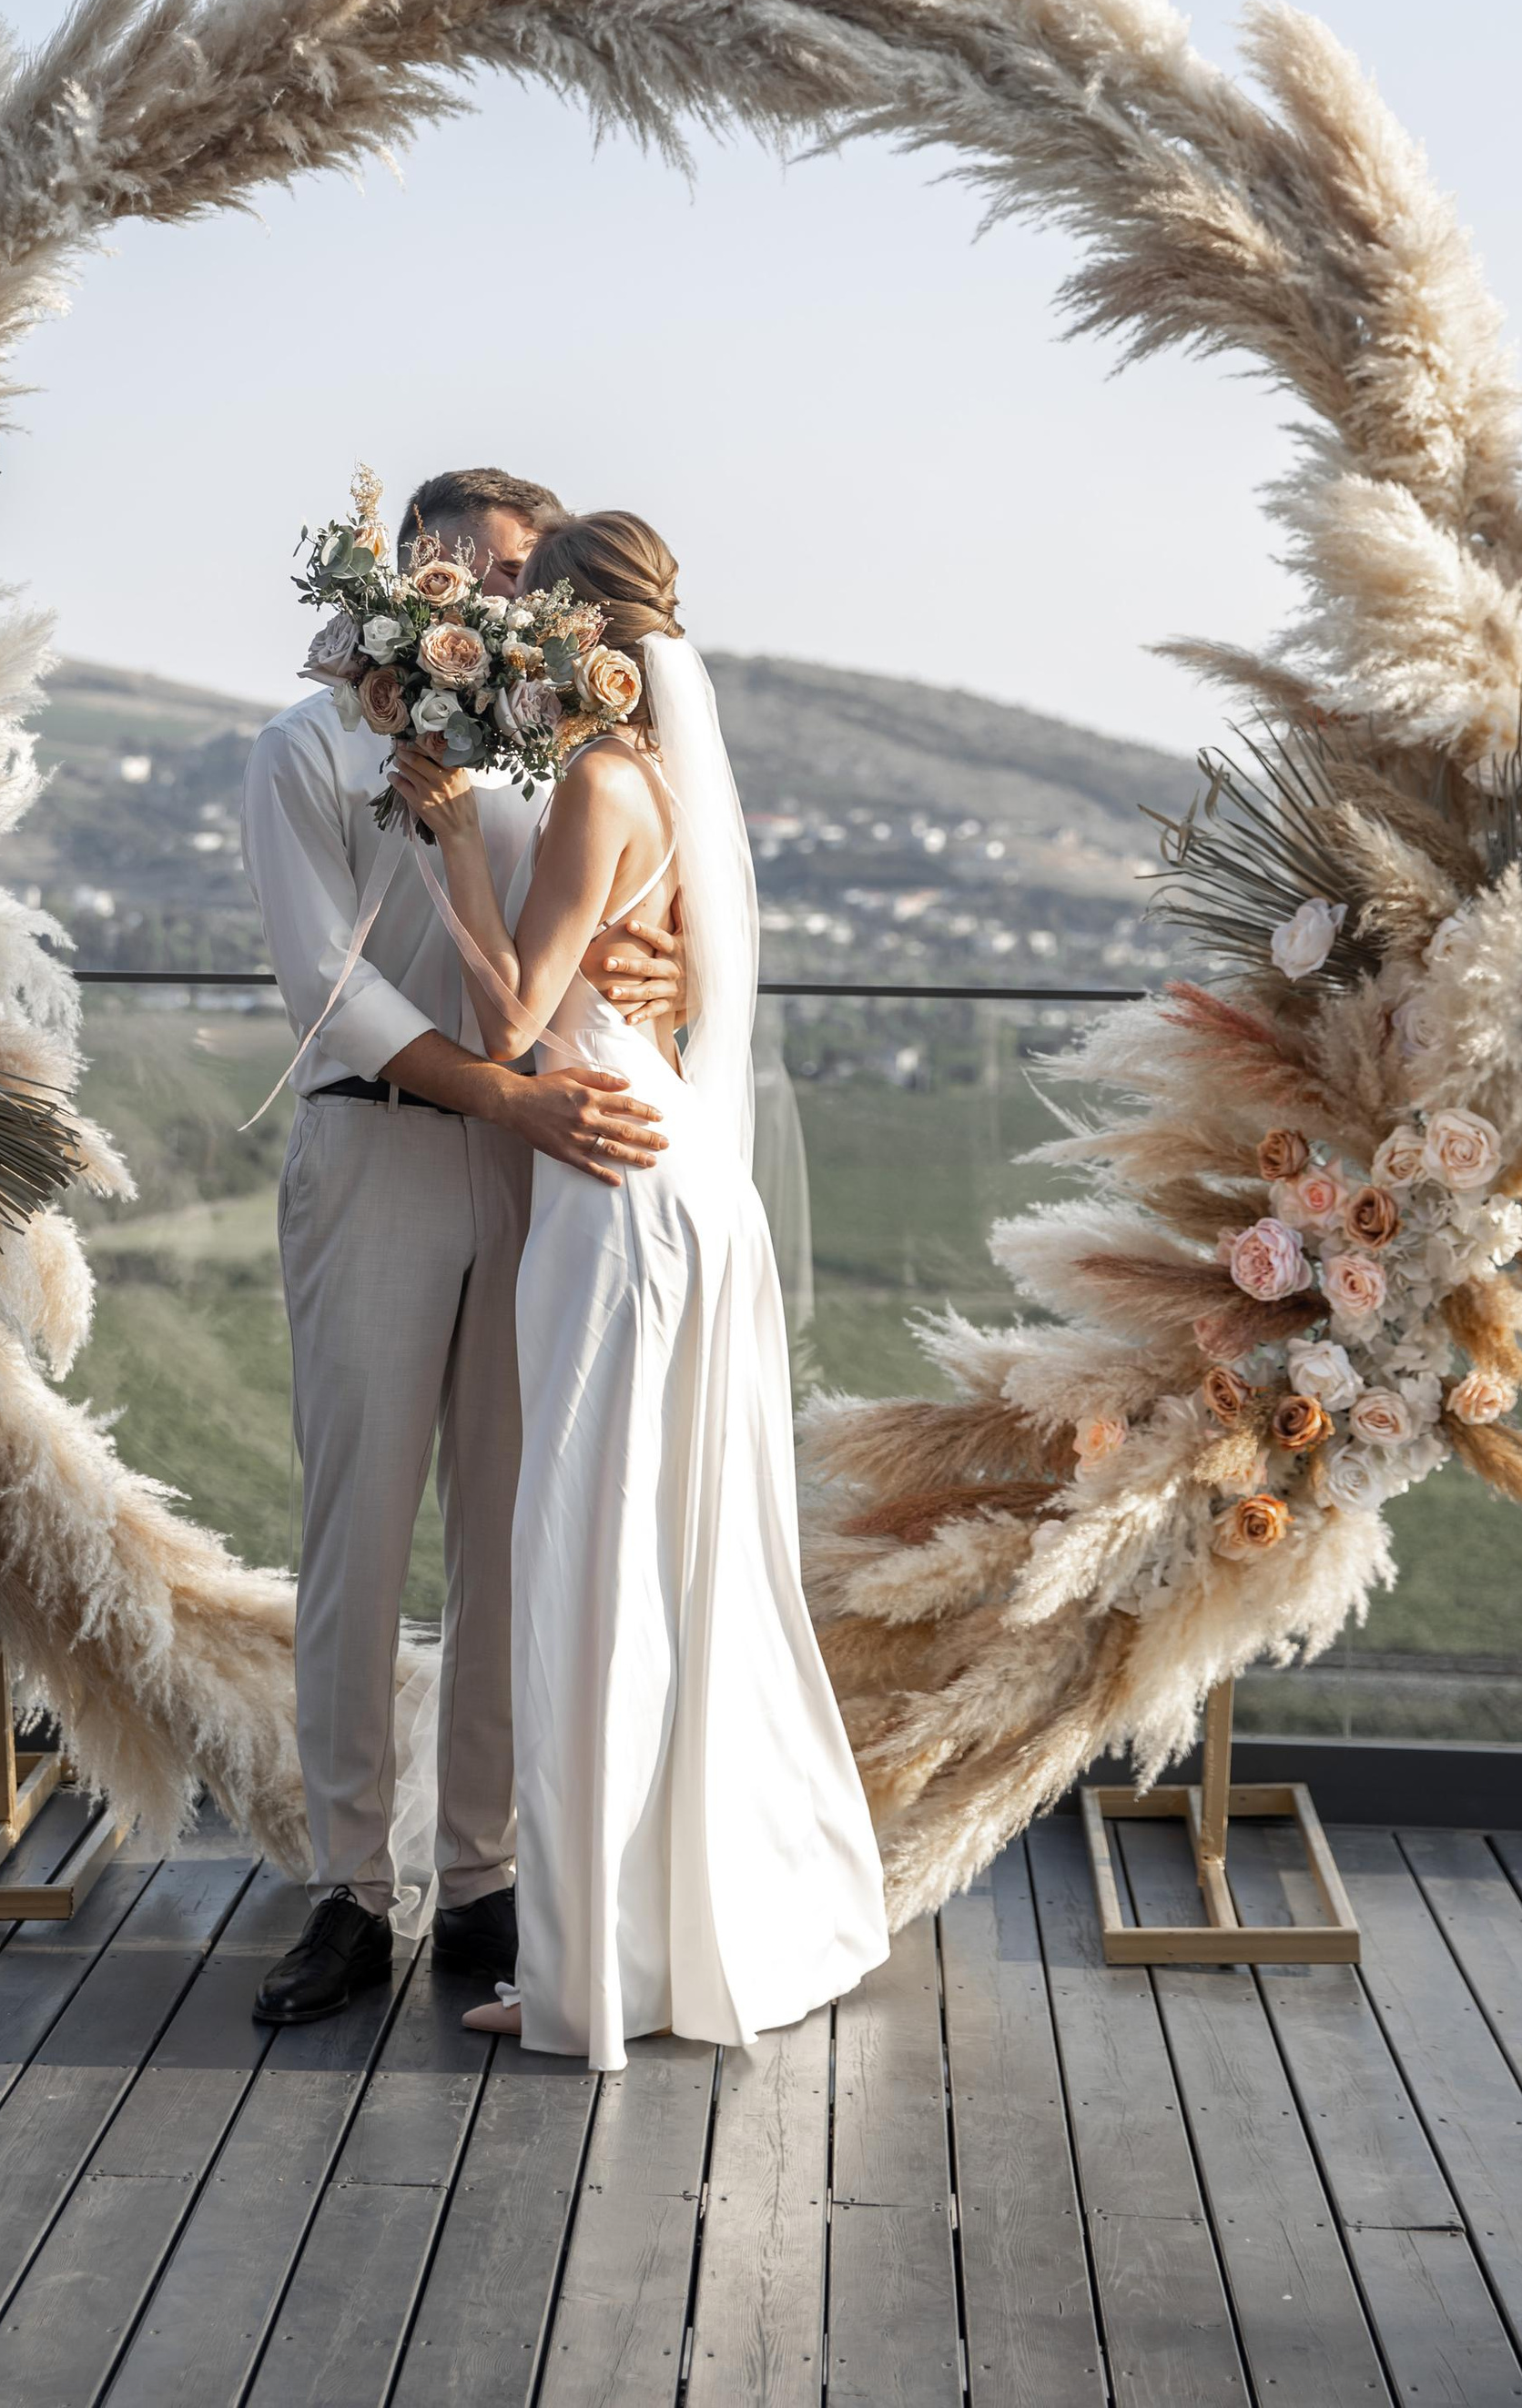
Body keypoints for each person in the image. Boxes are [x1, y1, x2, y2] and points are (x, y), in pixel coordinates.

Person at [390, 510, 889, 2070]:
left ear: (584, 631)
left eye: (532, 613)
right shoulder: (655, 780)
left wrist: (459, 842)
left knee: (593, 1565)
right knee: (671, 1561)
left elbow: (516, 1017)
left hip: (612, 1197)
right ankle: (659, 1930)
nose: (517, 637)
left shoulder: (603, 781)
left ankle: (592, 1965)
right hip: (672, 1178)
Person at [239, 467, 688, 2028]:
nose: (517, 601)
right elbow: (327, 991)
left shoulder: (560, 753)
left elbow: (607, 929)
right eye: (493, 570)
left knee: (510, 1531)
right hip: (379, 1155)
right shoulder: (303, 749)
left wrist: (630, 993)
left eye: (535, 578)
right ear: (417, 566)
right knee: (358, 1531)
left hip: (544, 1176)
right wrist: (514, 1096)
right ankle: (351, 1890)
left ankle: (489, 1880)